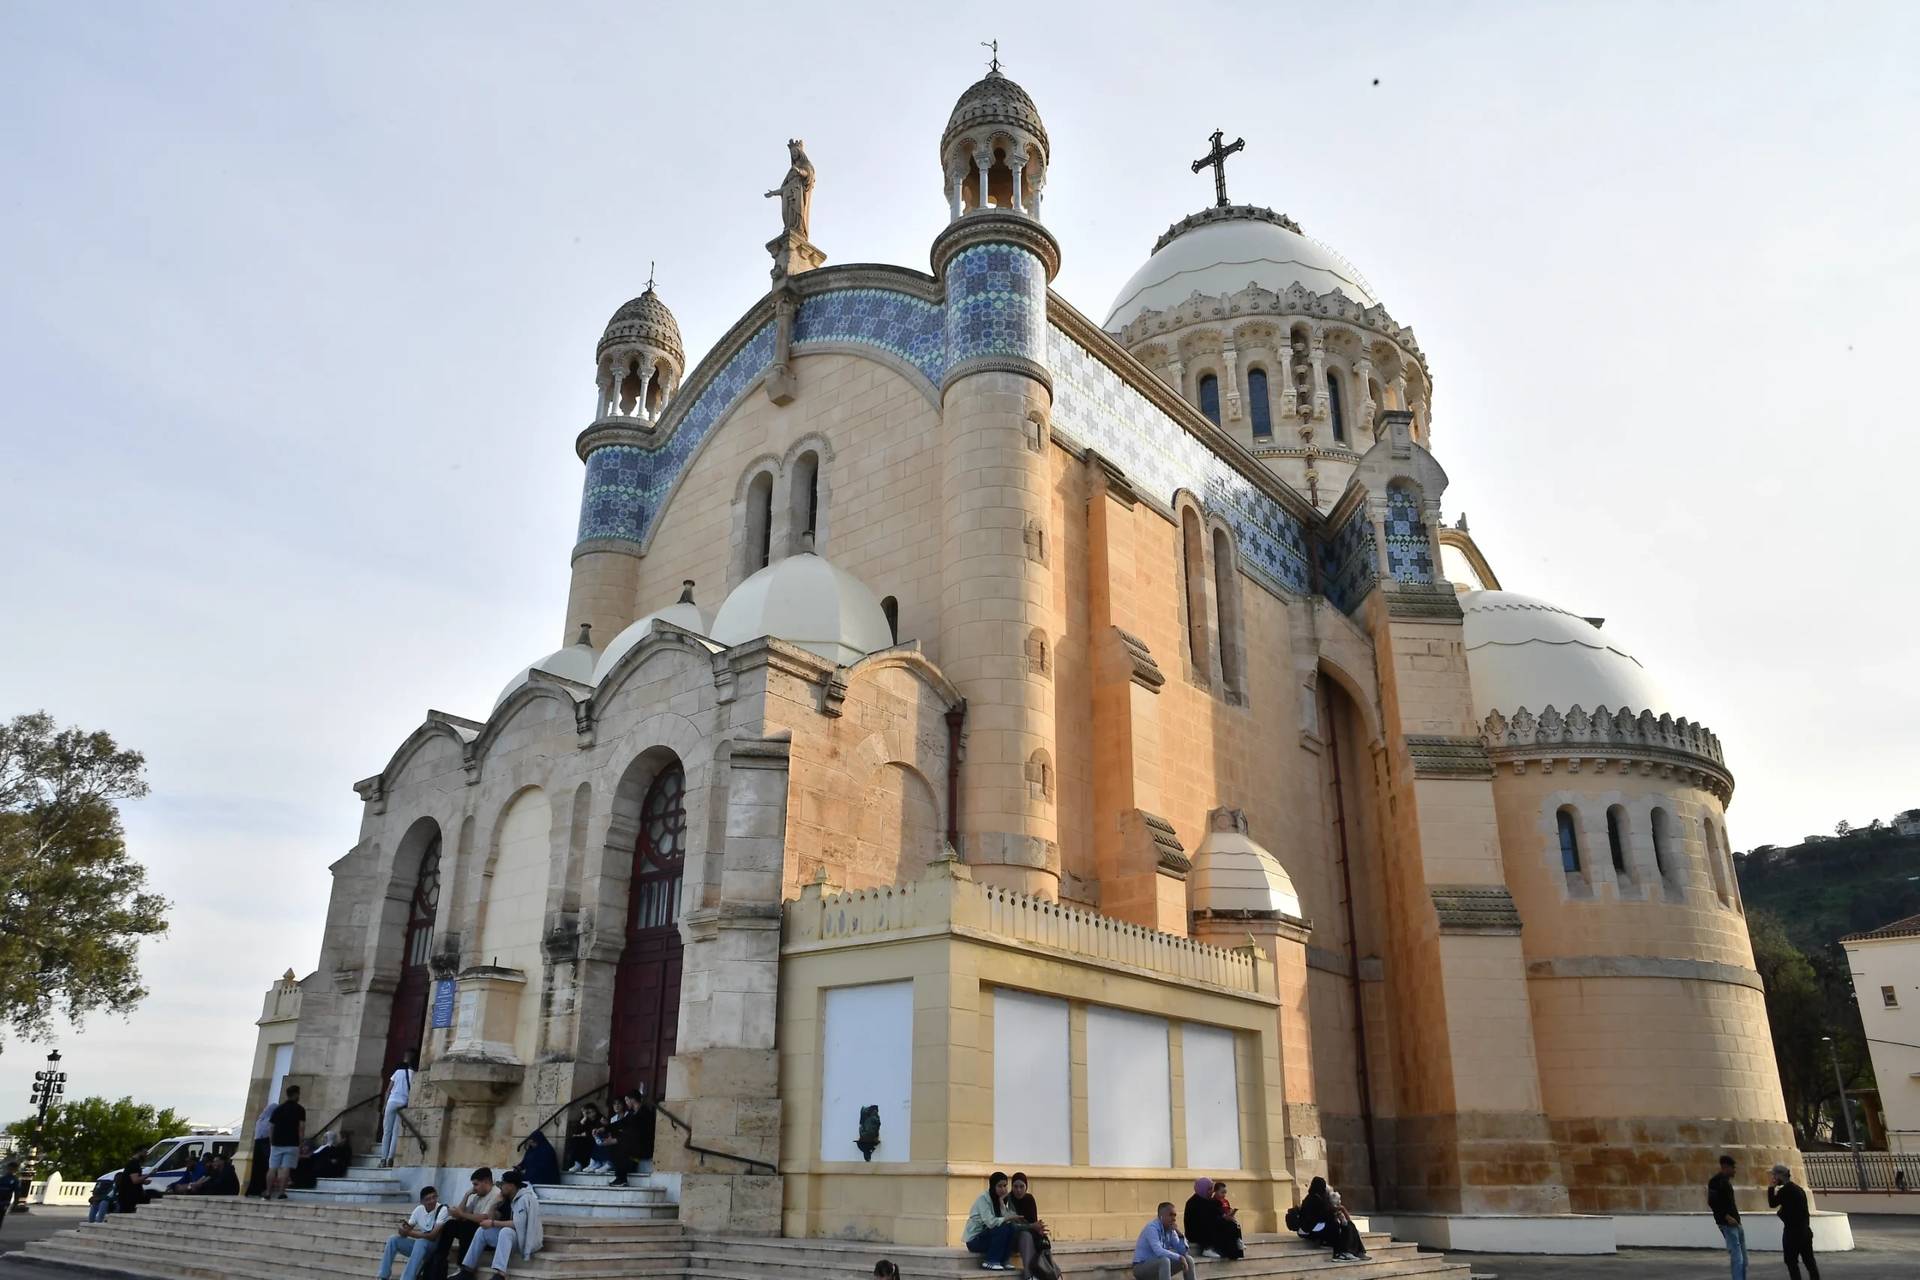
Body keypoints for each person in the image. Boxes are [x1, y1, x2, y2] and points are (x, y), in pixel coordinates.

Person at [458, 1167, 543, 1278]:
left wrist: (493, 1223)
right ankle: (467, 1270)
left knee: (506, 1231)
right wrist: (494, 1205)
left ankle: (500, 1274)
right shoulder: (506, 1198)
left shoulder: (524, 1199)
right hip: (508, 1239)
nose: (500, 1187)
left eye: (503, 1184)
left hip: (524, 1240)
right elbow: (492, 1218)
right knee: (482, 1230)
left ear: (511, 1186)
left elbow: (517, 1224)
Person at [964, 1171, 1036, 1273]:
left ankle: (1004, 1260)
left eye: (1005, 1186)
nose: (1003, 1189)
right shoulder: (983, 1199)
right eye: (999, 1186)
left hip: (989, 1238)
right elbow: (991, 1222)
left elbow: (1007, 1221)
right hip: (975, 1241)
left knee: (1011, 1228)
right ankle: (990, 1260)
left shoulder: (1002, 1200)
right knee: (1002, 1228)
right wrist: (1006, 1218)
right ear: (993, 1186)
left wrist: (1002, 1206)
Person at [380, 1184, 451, 1280]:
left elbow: (433, 1236)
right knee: (393, 1240)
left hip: (435, 1248)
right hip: (420, 1248)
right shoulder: (419, 1210)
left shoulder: (443, 1209)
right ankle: (383, 1276)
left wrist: (410, 1233)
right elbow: (406, 1232)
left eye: (434, 1197)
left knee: (421, 1241)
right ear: (422, 1201)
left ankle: (407, 1278)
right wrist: (403, 1230)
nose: (432, 1201)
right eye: (428, 1199)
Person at [1296, 1176, 1368, 1261]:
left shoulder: (1319, 1198)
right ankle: (1339, 1253)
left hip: (1317, 1225)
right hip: (1309, 1229)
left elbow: (1326, 1213)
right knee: (1334, 1226)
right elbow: (1321, 1215)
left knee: (1348, 1225)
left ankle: (1358, 1251)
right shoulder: (1312, 1199)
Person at [1767, 1163, 1818, 1280]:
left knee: (1791, 1262)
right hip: (1805, 1230)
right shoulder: (1799, 1189)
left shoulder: (1785, 1191)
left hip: (1792, 1233)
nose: (1773, 1178)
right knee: (1809, 1262)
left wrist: (1771, 1187)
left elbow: (1772, 1203)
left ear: (1780, 1175)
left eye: (1774, 1175)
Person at [1006, 1172, 1059, 1278]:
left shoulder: (1029, 1199)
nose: (1018, 1190)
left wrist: (1038, 1229)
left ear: (1026, 1187)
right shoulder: (1007, 1200)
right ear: (1012, 1187)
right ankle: (1028, 1274)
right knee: (1025, 1235)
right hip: (1011, 1237)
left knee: (1033, 1236)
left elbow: (1033, 1222)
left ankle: (1046, 1271)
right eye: (1015, 1187)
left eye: (1022, 1186)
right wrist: (1031, 1227)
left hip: (1026, 1236)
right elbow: (1011, 1226)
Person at [1132, 1201, 1194, 1280]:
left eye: (1175, 1215)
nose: (1174, 1219)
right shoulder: (1152, 1228)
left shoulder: (1171, 1230)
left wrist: (1181, 1235)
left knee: (1188, 1259)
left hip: (1159, 1266)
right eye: (1170, 1215)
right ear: (1161, 1216)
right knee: (1164, 1261)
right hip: (1140, 1267)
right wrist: (1179, 1257)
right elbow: (1158, 1251)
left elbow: (1182, 1252)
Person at [1183, 1176, 1239, 1261]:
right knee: (1214, 1225)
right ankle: (1207, 1248)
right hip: (1196, 1231)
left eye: (1211, 1189)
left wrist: (1226, 1217)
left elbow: (1216, 1212)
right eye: (1209, 1189)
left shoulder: (1208, 1200)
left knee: (1230, 1224)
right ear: (1202, 1189)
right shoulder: (1193, 1203)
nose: (1211, 1191)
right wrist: (1221, 1219)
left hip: (1208, 1226)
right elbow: (1202, 1220)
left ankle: (1233, 1252)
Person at [1708, 1154, 1746, 1280]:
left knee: (1743, 1259)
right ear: (1726, 1167)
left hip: (1736, 1223)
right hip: (1727, 1224)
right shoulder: (1715, 1182)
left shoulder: (1726, 1182)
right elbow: (1712, 1202)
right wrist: (1726, 1216)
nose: (1734, 1170)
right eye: (1733, 1168)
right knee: (1737, 1257)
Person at [265, 1084, 305, 1200]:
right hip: (292, 1143)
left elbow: (271, 1126)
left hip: (277, 1142)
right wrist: (301, 1142)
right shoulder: (300, 1109)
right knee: (286, 1168)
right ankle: (281, 1192)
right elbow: (301, 1128)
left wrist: (271, 1140)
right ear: (296, 1094)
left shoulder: (278, 1109)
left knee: (272, 1168)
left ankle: (268, 1192)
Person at [382, 1051, 417, 1166]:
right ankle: (391, 1158)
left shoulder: (397, 1072)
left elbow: (388, 1090)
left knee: (387, 1132)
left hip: (392, 1101)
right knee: (396, 1132)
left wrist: (384, 1104)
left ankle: (383, 1159)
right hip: (403, 1103)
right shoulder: (414, 1074)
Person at [246, 1098, 276, 1196]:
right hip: (265, 1144)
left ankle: (254, 1189)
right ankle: (263, 1188)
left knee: (257, 1168)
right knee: (265, 1167)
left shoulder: (260, 1120)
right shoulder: (270, 1121)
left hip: (258, 1144)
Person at [563, 1104, 603, 1173]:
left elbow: (599, 1130)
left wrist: (586, 1134)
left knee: (580, 1142)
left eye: (592, 1112)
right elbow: (576, 1132)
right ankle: (577, 1164)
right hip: (585, 1141)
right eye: (588, 1113)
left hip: (596, 1140)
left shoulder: (600, 1119)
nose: (591, 1114)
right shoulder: (585, 1120)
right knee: (575, 1141)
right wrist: (583, 1120)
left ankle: (583, 1163)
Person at [112, 1150, 151, 1215]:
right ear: (139, 1152)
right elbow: (135, 1180)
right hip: (129, 1196)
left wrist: (143, 1181)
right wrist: (148, 1175)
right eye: (145, 1152)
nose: (146, 1155)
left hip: (128, 1194)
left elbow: (130, 1179)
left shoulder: (132, 1163)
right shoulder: (134, 1164)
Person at [0, 1161, 20, 1232]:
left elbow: (17, 1193)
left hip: (5, 1202)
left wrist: (15, 1203)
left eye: (13, 1169)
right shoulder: (2, 1178)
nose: (11, 1170)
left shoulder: (15, 1180)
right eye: (10, 1168)